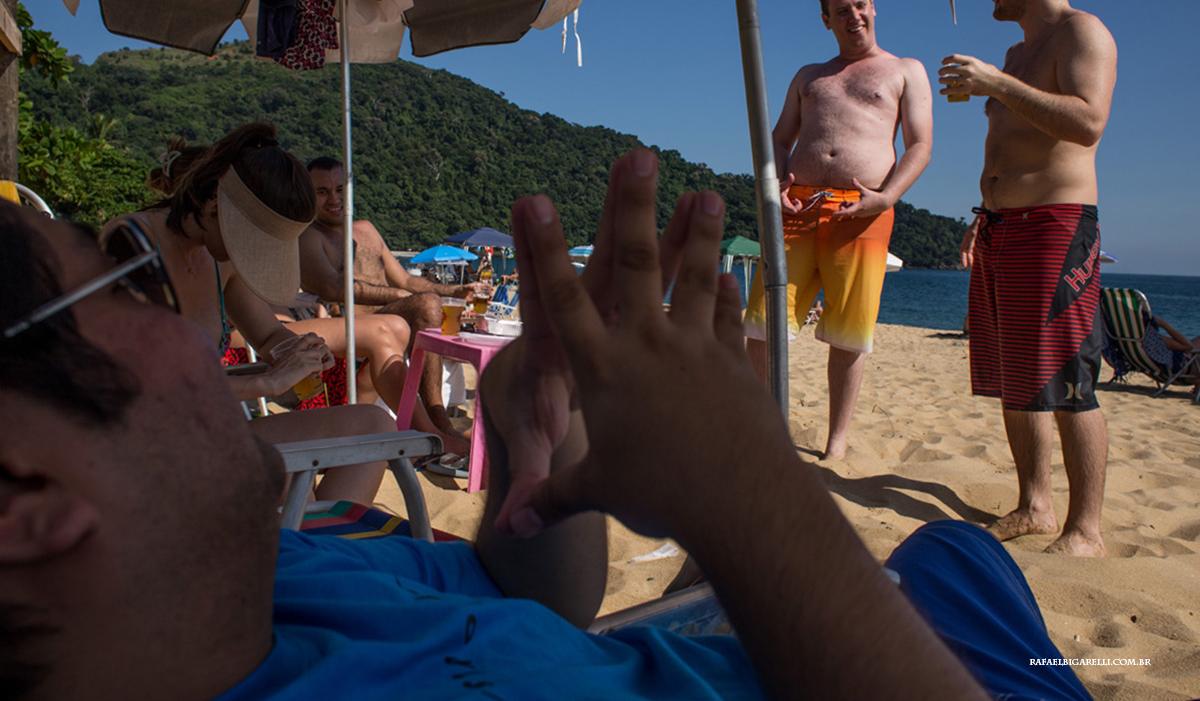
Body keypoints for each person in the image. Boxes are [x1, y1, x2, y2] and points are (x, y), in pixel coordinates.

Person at [1, 150, 1099, 700]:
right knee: (968, 577)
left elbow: (537, 603)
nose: (198, 315)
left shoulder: (280, 570)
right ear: (29, 494)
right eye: (126, 283)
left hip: (742, 637)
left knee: (954, 554)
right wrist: (747, 490)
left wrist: (539, 449)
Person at [105, 122, 404, 504]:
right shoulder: (133, 243)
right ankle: (310, 551)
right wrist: (262, 385)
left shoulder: (218, 259)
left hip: (212, 426)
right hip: (146, 441)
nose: (245, 256)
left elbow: (266, 337)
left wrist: (298, 349)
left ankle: (318, 552)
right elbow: (137, 388)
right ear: (215, 205)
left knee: (375, 426)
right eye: (250, 244)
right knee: (278, 476)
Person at [941, 0, 1118, 557]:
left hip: (1057, 226)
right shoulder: (1017, 54)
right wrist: (981, 213)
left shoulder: (1082, 33)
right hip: (1001, 226)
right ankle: (1035, 504)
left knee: (1069, 381)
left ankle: (1086, 529)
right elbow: (1010, 144)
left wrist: (997, 84)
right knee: (1018, 378)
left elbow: (1088, 122)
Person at [744, 0, 933, 460]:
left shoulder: (904, 70)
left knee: (849, 332)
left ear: (874, 7)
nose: (855, 16)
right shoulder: (810, 75)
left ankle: (836, 443)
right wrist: (773, 185)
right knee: (763, 322)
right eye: (843, 10)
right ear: (826, 19)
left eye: (861, 5)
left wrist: (888, 197)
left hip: (863, 211)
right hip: (796, 206)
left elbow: (920, 145)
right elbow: (780, 138)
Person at [298, 157, 487, 453]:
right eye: (322, 192)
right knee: (425, 306)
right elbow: (332, 288)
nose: (334, 198)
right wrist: (398, 297)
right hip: (350, 334)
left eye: (339, 188)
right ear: (307, 195)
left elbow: (406, 281)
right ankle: (437, 422)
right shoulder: (309, 237)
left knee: (429, 303)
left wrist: (455, 290)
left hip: (392, 321)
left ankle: (439, 423)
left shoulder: (367, 231)